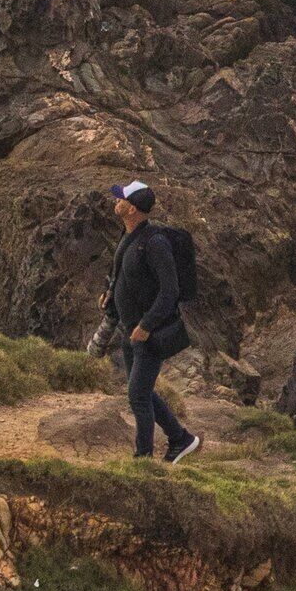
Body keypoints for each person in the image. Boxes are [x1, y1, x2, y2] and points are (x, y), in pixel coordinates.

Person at [105, 182, 200, 464]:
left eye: (120, 198)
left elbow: (169, 291)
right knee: (142, 392)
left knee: (137, 397)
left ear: (131, 208)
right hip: (130, 329)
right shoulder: (129, 233)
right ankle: (181, 439)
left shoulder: (155, 243)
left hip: (149, 334)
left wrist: (146, 326)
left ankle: (143, 459)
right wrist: (109, 296)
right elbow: (125, 275)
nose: (116, 200)